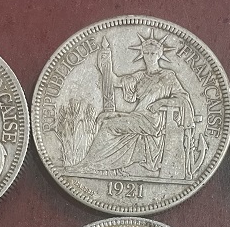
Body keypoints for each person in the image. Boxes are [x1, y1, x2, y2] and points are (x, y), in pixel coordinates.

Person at [71, 32, 195, 176]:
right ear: (142, 54)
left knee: (109, 126)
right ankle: (104, 166)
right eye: (146, 53)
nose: (150, 56)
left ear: (160, 55)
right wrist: (104, 65)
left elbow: (183, 98)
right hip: (138, 117)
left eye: (153, 53)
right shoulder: (140, 75)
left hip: (152, 121)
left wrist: (162, 102)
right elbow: (116, 81)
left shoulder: (168, 76)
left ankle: (89, 164)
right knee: (105, 118)